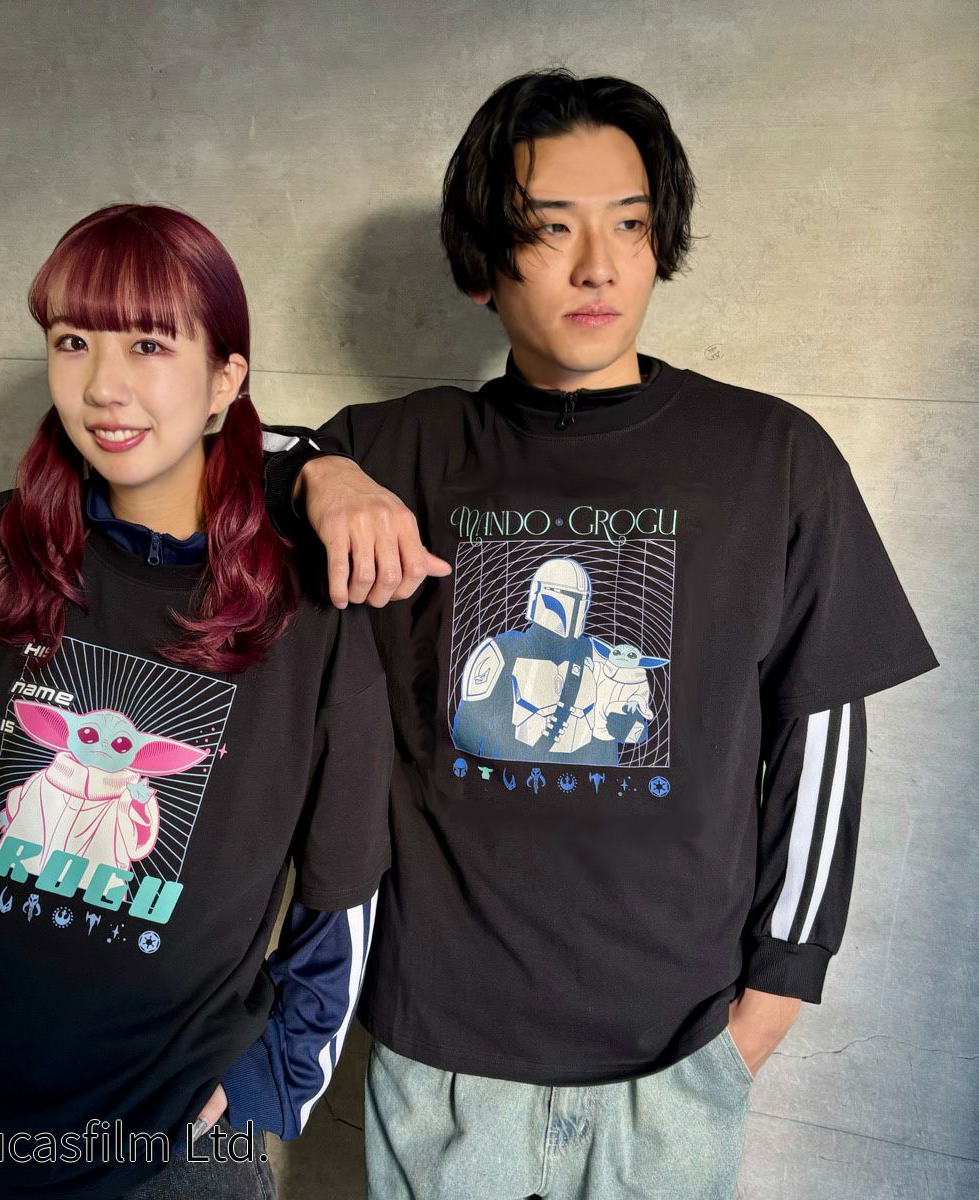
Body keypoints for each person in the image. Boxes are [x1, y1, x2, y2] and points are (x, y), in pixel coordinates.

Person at [261, 70, 940, 1198]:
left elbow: (820, 742)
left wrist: (771, 1000)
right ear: (482, 262)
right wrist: (316, 475)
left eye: (628, 224)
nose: (598, 266)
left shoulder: (771, 459)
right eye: (548, 228)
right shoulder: (406, 450)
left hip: (674, 1054)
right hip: (440, 1049)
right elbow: (193, 459)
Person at [0, 203, 394, 1200]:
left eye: (149, 344)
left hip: (169, 1139)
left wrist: (274, 1076)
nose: (102, 385)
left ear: (225, 379)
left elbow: (343, 884)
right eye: (72, 342)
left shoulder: (311, 607)